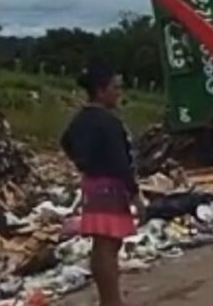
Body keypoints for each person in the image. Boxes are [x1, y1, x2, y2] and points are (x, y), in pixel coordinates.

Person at [60, 64, 140, 306]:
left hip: (93, 184)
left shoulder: (82, 118)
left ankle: (110, 299)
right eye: (115, 88)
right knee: (107, 244)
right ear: (100, 90)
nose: (119, 93)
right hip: (110, 186)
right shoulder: (108, 121)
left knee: (105, 244)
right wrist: (135, 194)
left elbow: (66, 142)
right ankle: (111, 301)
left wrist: (83, 163)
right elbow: (120, 161)